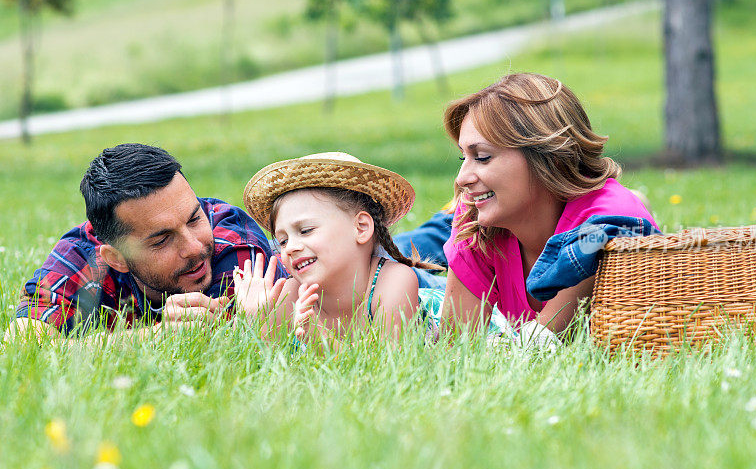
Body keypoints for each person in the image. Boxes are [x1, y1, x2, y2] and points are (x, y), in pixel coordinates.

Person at [440, 73, 659, 336]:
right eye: (463, 158)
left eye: (483, 157)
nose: (462, 178)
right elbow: (455, 349)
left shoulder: (602, 230)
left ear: (550, 158)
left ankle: (636, 201)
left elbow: (538, 347)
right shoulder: (477, 217)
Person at [9, 143, 283, 340]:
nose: (195, 247)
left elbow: (233, 344)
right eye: (162, 240)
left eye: (194, 219)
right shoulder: (83, 255)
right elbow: (23, 349)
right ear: (116, 258)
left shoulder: (234, 243)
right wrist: (152, 336)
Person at [234, 152, 441, 344]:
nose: (290, 248)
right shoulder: (292, 295)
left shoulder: (394, 282)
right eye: (282, 241)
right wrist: (253, 320)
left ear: (361, 228)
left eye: (305, 230)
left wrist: (318, 338)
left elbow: (385, 369)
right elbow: (261, 364)